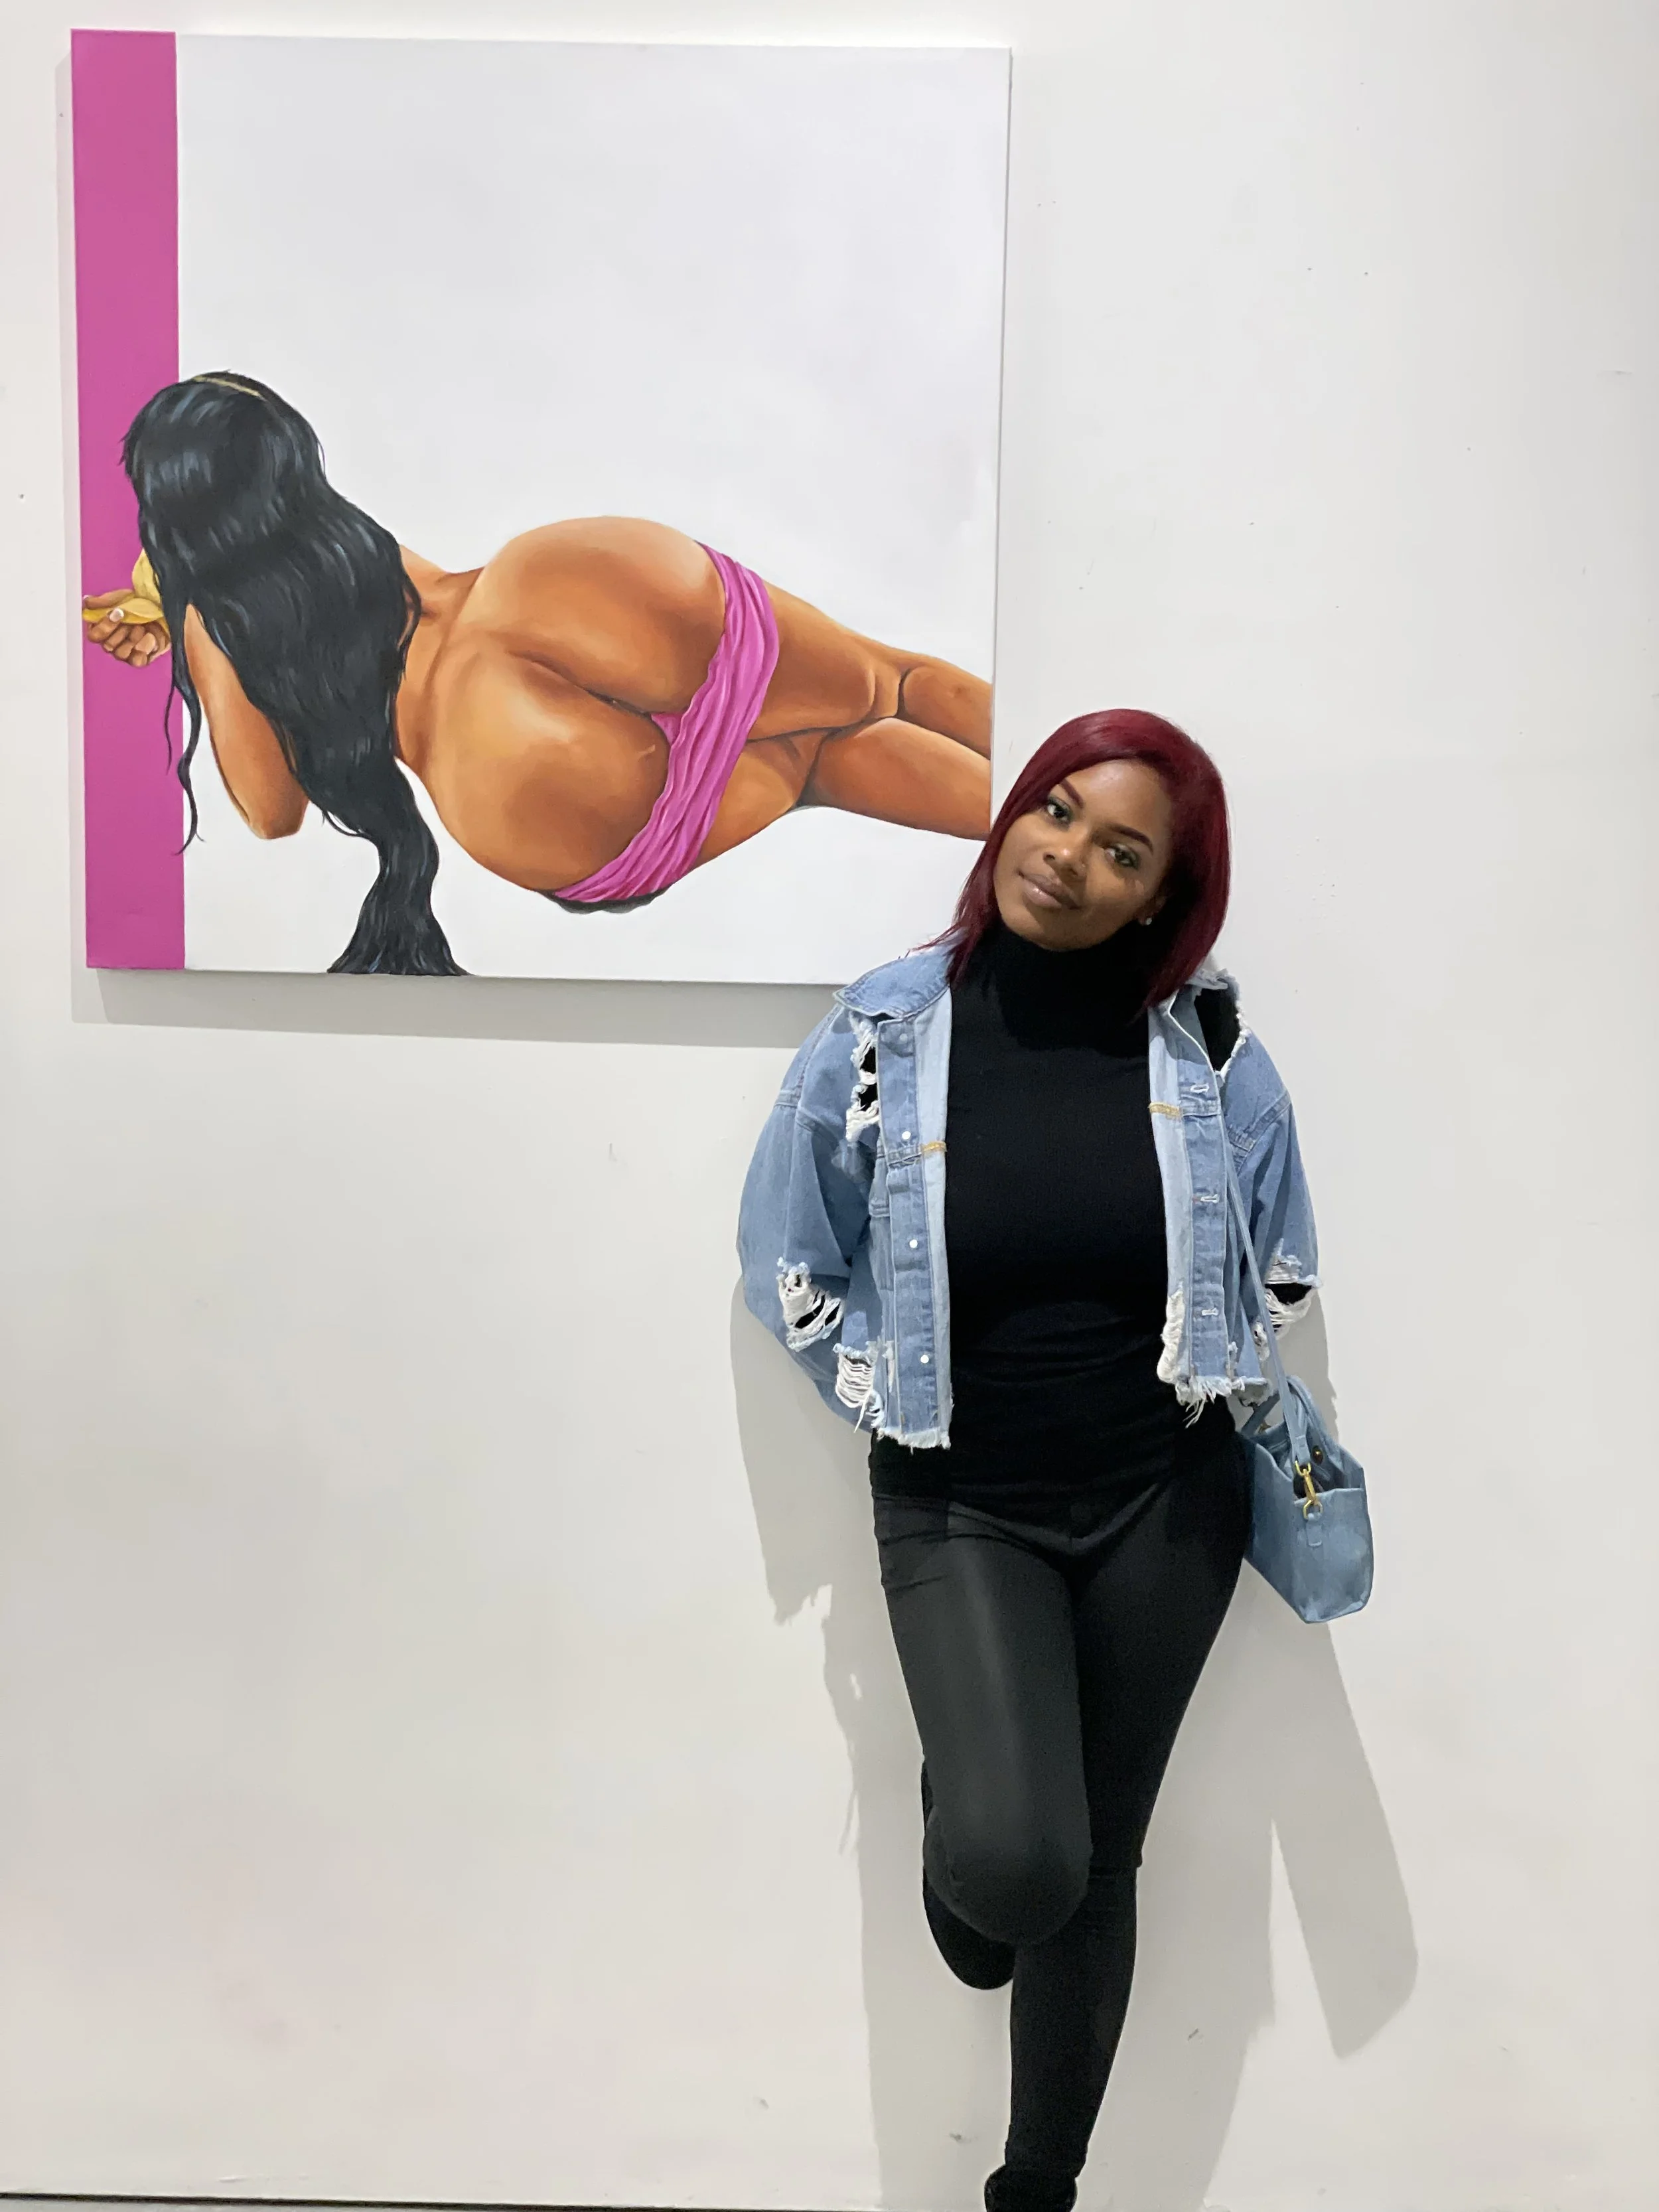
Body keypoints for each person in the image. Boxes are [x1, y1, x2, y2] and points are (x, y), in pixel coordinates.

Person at [738, 709, 1319, 2212]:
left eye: (1120, 851)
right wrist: (890, 1387)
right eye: (1055, 810)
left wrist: (1218, 1357)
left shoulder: (1207, 1049)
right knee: (1015, 1866)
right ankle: (978, 1815)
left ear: (1159, 897)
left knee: (1098, 1860)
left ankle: (1036, 2189)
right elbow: (784, 1256)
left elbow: (1280, 1258)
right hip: (963, 1501)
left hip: (1164, 1505)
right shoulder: (886, 1028)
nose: (1065, 858)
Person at [82, 373, 991, 975]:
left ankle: (1062, 834)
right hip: (545, 590)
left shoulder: (218, 623)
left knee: (820, 764)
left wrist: (183, 605)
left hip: (502, 774)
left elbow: (270, 813)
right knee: (890, 682)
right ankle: (1071, 803)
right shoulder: (342, 538)